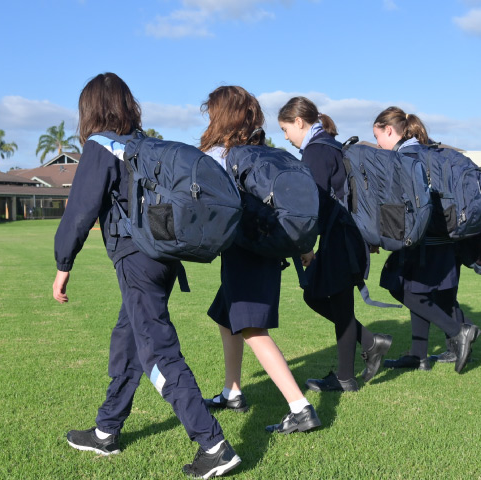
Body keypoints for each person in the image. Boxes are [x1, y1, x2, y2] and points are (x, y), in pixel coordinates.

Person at [53, 73, 241, 479]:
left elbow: (80, 211)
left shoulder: (100, 146)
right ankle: (107, 430)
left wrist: (62, 265)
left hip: (136, 260)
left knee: (157, 351)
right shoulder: (141, 144)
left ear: (90, 109)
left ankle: (214, 445)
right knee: (128, 339)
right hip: (162, 258)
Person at [199, 86, 321, 435]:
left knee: (252, 328)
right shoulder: (265, 151)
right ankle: (232, 391)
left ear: (222, 115)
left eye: (212, 112)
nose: (208, 117)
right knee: (226, 316)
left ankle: (300, 407)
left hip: (245, 251)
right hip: (267, 248)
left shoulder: (223, 155)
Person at [277, 97, 393, 392]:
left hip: (340, 238)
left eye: (285, 129)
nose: (286, 137)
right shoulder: (330, 144)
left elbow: (310, 205)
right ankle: (369, 343)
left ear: (299, 122)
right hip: (346, 236)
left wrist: (305, 244)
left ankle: (346, 377)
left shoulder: (316, 151)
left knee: (334, 303)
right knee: (320, 297)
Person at [372, 106, 480, 374]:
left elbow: (400, 205)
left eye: (378, 137)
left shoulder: (404, 157)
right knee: (423, 292)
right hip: (447, 238)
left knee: (400, 286)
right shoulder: (431, 152)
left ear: (389, 130)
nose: (377, 144)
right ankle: (418, 355)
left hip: (423, 240)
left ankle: (458, 332)